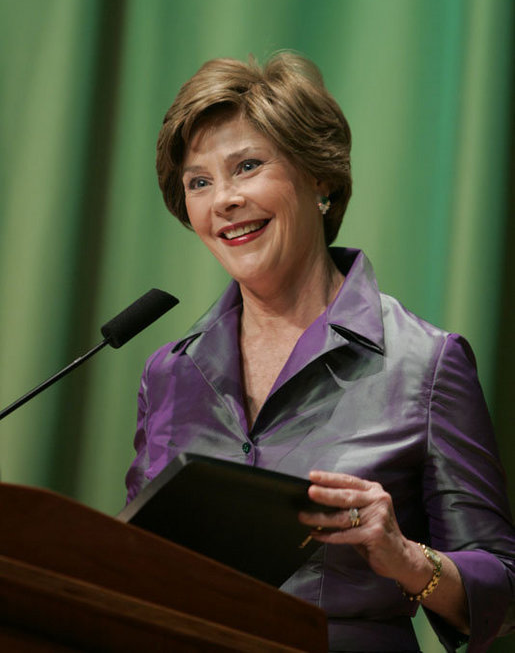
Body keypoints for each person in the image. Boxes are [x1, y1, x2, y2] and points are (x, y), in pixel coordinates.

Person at [125, 53, 514, 652]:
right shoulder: (170, 373)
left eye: (247, 166)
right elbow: (130, 565)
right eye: (199, 182)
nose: (222, 199)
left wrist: (406, 557)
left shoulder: (425, 364)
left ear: (320, 178)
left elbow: (502, 589)